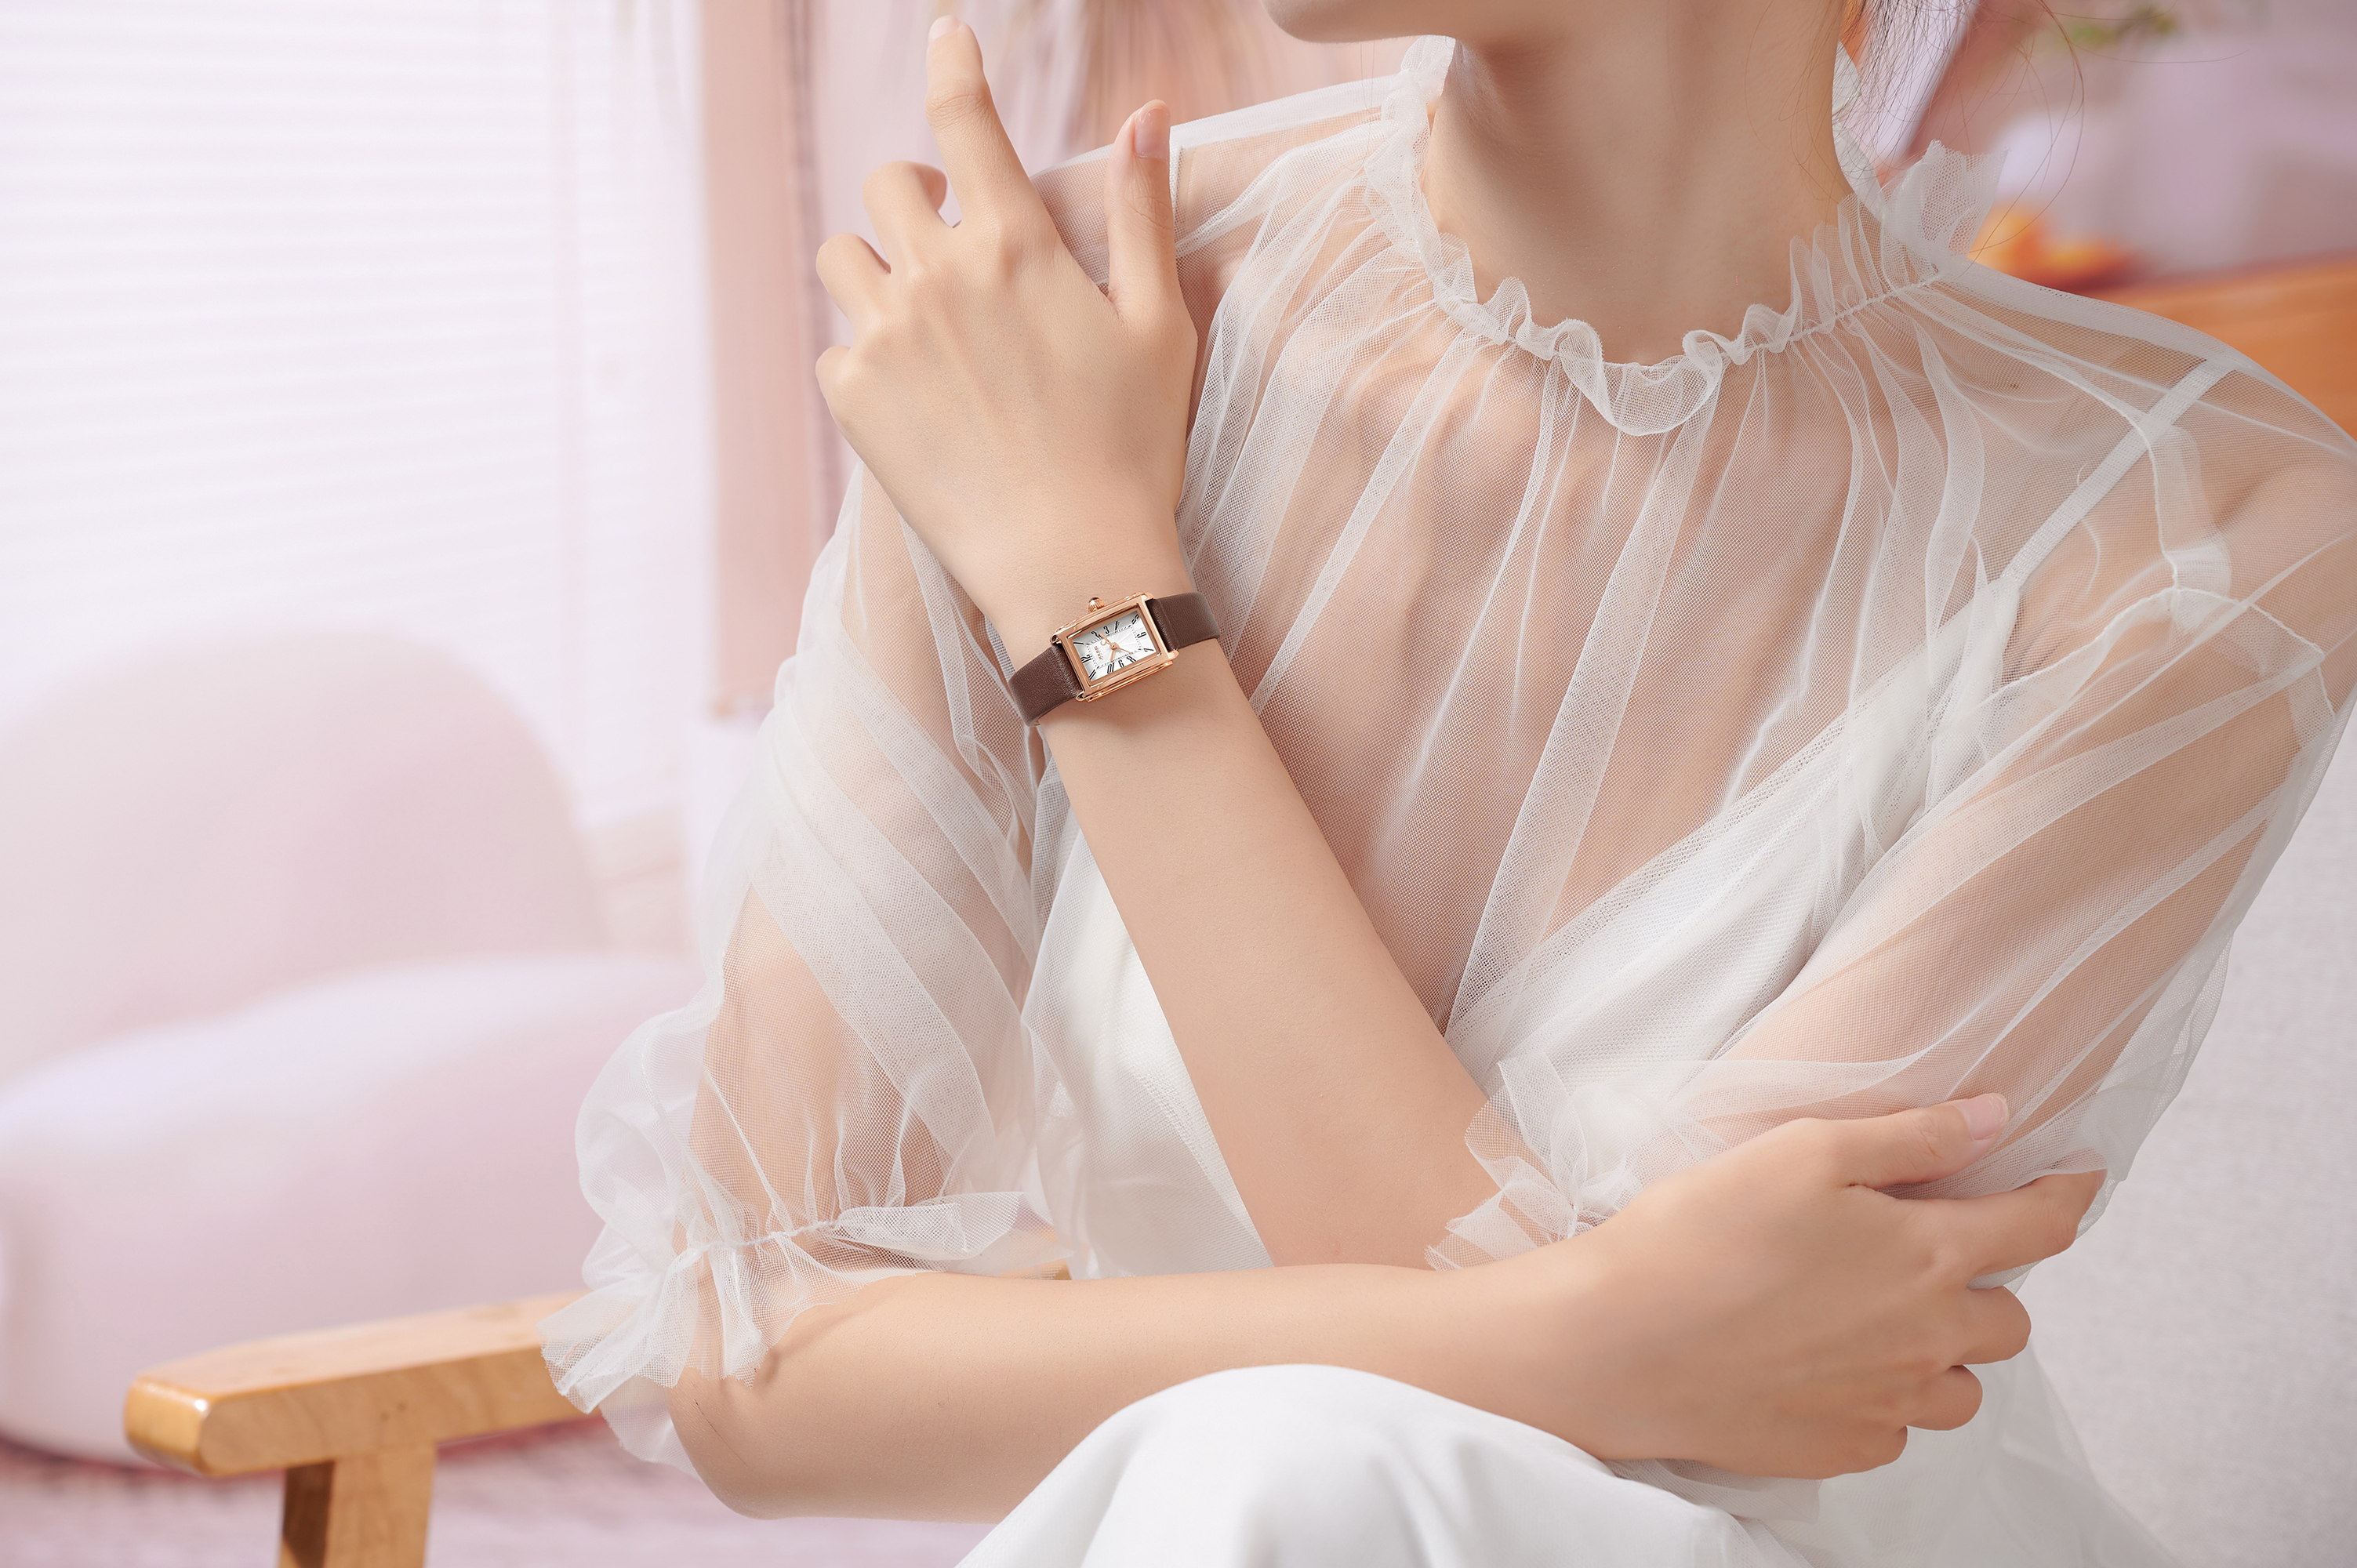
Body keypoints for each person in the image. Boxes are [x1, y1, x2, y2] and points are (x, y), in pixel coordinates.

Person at [539, 0, 2357, 1561]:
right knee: (1283, 1475)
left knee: (1294, 1469)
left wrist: (1092, 595)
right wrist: (1589, 1330)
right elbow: (752, 1360)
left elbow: (1697, 1430)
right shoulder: (1042, 316)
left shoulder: (2202, 524)